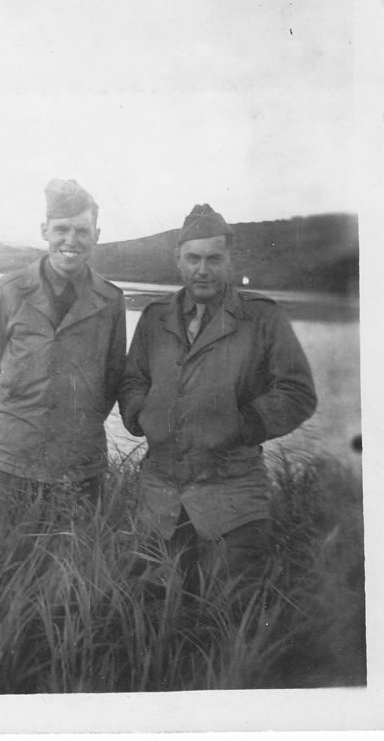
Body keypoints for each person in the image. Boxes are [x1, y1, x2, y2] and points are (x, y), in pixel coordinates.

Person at [119, 204, 317, 595]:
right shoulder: (155, 317)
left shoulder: (262, 317)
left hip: (232, 499)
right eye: (193, 258)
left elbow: (298, 392)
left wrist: (243, 424)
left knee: (225, 611)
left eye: (214, 258)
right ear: (178, 259)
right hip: (159, 500)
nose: (203, 269)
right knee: (149, 608)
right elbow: (133, 378)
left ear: (229, 260)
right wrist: (141, 414)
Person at [0, 178, 126, 525]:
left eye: (82, 231)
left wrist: (73, 428)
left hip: (79, 465)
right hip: (7, 461)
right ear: (45, 231)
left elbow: (112, 380)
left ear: (96, 235)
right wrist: (13, 424)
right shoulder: (7, 291)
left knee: (73, 568)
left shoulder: (111, 300)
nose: (72, 241)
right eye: (62, 229)